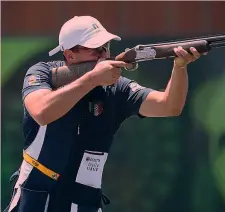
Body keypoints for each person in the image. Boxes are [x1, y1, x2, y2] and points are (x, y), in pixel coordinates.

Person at [5, 16, 201, 212]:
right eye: (95, 49)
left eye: (105, 47)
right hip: (37, 200)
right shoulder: (43, 72)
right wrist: (91, 79)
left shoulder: (117, 87)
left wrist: (180, 67)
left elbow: (169, 106)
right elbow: (41, 111)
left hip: (85, 203)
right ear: (70, 54)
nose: (103, 55)